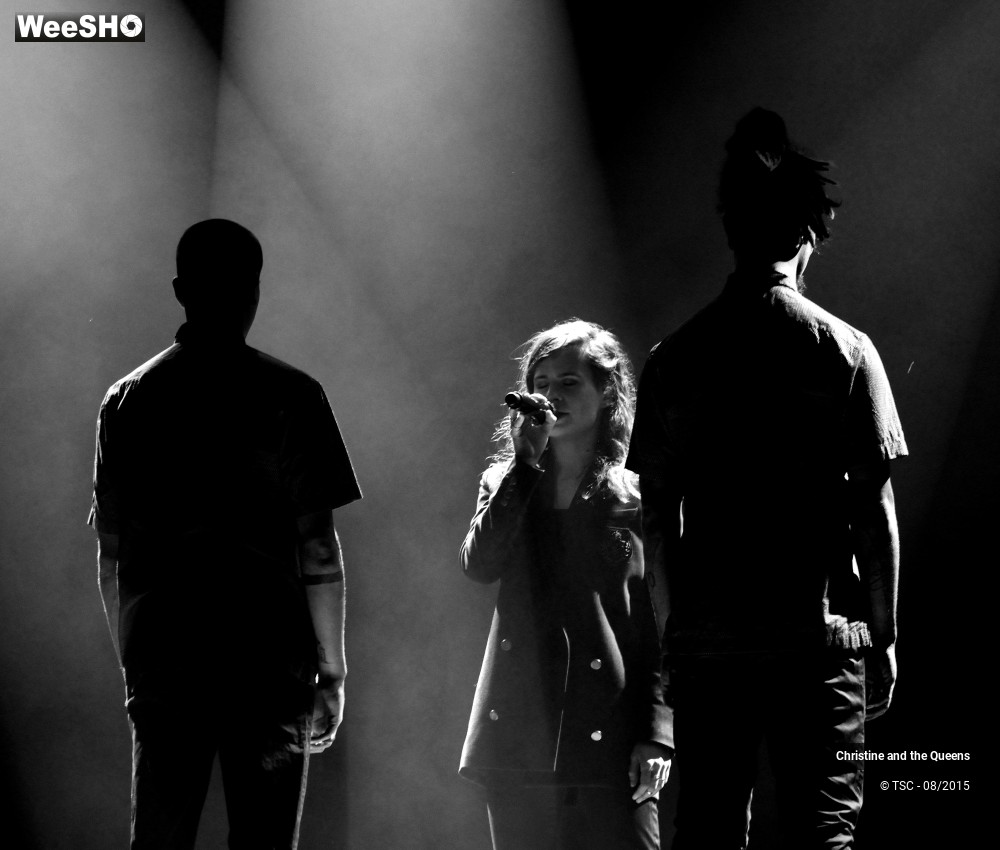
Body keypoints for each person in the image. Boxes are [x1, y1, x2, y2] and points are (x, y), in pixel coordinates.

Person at [626, 108, 907, 849]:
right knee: (824, 835)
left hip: (711, 648)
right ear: (807, 235)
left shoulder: (674, 361)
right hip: (816, 646)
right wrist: (884, 637)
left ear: (732, 229)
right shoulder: (844, 352)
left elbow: (657, 521)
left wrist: (676, 637)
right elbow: (873, 514)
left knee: (709, 831)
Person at [88, 219, 361, 850]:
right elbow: (318, 545)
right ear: (255, 291)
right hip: (269, 660)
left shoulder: (126, 401)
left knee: (160, 839)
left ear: (180, 290)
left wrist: (137, 664)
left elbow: (111, 555)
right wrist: (333, 670)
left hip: (166, 657)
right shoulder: (294, 395)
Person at [459, 319, 673, 850]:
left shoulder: (638, 495)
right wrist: (524, 466)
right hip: (517, 721)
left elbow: (659, 619)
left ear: (609, 392)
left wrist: (656, 731)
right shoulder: (505, 481)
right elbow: (478, 565)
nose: (552, 395)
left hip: (609, 720)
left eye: (569, 382)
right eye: (543, 382)